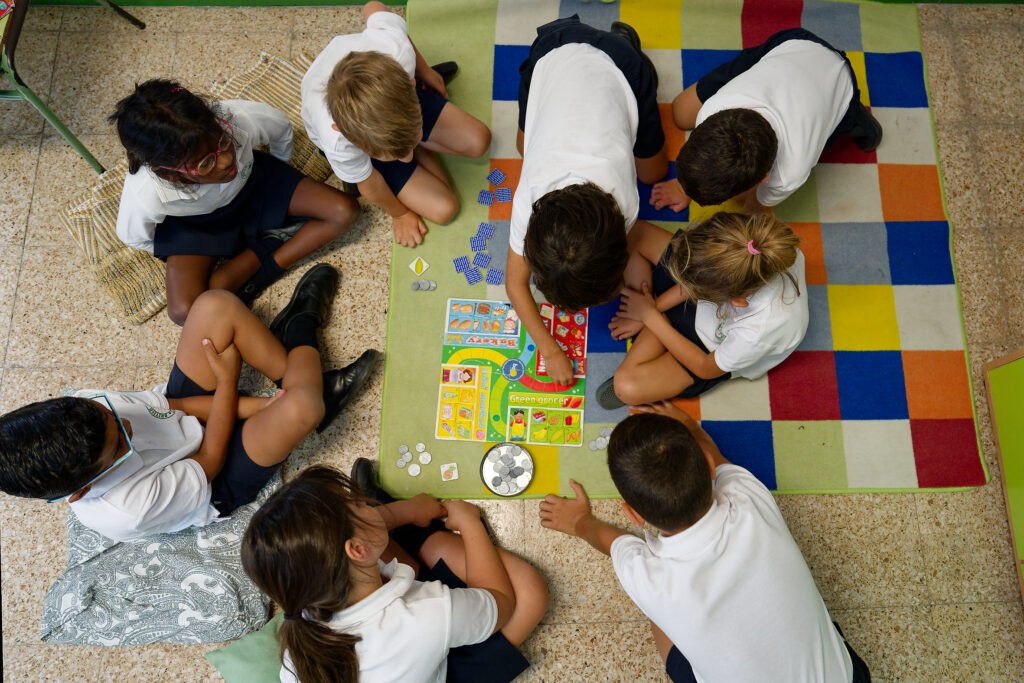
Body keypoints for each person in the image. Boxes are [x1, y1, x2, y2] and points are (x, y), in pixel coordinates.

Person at [0, 264, 378, 542]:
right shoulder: (128, 509)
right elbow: (211, 458)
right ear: (81, 490)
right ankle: (301, 326)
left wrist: (256, 407)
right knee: (303, 409)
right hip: (215, 476)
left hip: (184, 419)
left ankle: (298, 374)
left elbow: (172, 405)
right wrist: (230, 383)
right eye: (120, 444)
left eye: (113, 416)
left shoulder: (87, 410)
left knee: (215, 305)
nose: (127, 425)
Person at [539, 402, 872, 683]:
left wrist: (579, 521)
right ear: (709, 467)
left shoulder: (647, 579)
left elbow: (611, 540)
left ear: (633, 515)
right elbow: (717, 457)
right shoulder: (750, 499)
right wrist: (687, 423)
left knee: (660, 609)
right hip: (845, 677)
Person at [241, 464, 549, 683]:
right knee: (529, 590)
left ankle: (404, 532)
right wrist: (470, 524)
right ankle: (411, 534)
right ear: (357, 550)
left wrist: (408, 511)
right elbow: (500, 603)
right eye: (359, 504)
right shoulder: (424, 615)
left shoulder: (310, 598)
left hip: (404, 638)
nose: (365, 503)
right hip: (436, 650)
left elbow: (366, 549)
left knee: (420, 561)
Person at [110, 80, 360, 325]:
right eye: (205, 163)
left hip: (256, 186)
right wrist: (182, 249)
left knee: (344, 211)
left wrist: (282, 169)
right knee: (186, 312)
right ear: (168, 174)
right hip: (196, 226)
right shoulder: (146, 193)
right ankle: (268, 244)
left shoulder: (237, 117)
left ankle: (266, 267)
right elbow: (134, 237)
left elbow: (281, 127)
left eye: (224, 142)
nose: (226, 160)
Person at [505, 16, 669, 387]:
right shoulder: (530, 200)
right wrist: (548, 349)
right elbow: (515, 285)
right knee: (521, 148)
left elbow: (517, 285)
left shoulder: (623, 203)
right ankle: (593, 35)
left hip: (620, 67)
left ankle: (623, 41)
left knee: (654, 173)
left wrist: (641, 302)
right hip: (550, 55)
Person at [301, 1, 491, 248]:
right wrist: (400, 213)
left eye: (413, 140)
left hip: (392, 94)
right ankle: (399, 145)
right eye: (395, 154)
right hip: (365, 136)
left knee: (479, 141)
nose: (407, 157)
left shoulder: (397, 51)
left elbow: (374, 6)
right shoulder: (338, 141)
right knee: (445, 209)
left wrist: (426, 73)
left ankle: (403, 139)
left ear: (411, 85)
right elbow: (369, 185)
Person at [650, 27, 883, 215]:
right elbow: (707, 155)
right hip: (792, 46)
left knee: (743, 201)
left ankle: (860, 122)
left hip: (839, 82)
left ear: (764, 178)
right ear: (713, 120)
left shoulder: (789, 174)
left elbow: (756, 211)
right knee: (681, 113)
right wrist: (686, 185)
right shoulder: (713, 108)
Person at [598, 212, 807, 408]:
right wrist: (651, 309)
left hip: (708, 347)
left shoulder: (758, 330)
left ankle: (655, 325)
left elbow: (704, 367)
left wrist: (650, 317)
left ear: (737, 301)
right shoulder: (753, 242)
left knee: (626, 387)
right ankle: (652, 319)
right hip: (706, 286)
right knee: (631, 232)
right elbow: (698, 277)